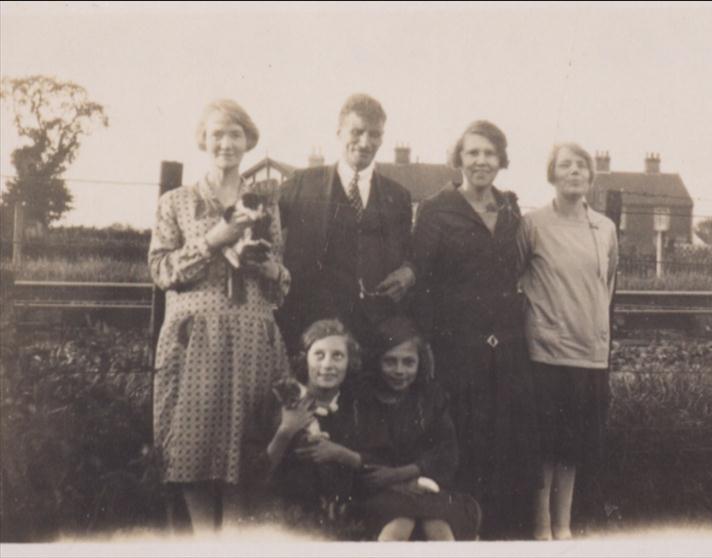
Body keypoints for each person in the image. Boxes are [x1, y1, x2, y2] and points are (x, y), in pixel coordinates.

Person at [148, 99, 291, 533]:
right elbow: (162, 270)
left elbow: (280, 282)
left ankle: (231, 537)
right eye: (217, 134)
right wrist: (214, 240)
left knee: (243, 446)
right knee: (192, 446)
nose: (226, 143)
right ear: (203, 141)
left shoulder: (263, 204)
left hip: (251, 336)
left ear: (248, 142)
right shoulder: (177, 202)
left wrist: (265, 265)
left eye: (235, 134)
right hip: (197, 339)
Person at [411, 121, 540, 539]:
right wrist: (427, 342)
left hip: (506, 345)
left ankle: (499, 532)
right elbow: (423, 282)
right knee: (462, 437)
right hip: (456, 345)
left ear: (501, 160)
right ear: (459, 159)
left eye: (489, 153)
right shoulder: (436, 208)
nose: (481, 161)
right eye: (473, 153)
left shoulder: (509, 208)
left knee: (502, 441)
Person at [517, 142, 618, 540]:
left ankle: (564, 526)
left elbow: (605, 286)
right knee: (545, 444)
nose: (574, 171)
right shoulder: (533, 224)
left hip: (590, 353)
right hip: (546, 351)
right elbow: (517, 278)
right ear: (552, 175)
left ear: (591, 178)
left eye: (581, 166)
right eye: (565, 165)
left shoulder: (605, 228)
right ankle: (542, 526)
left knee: (573, 447)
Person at [276, 93, 415, 356]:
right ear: (339, 133)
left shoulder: (398, 196)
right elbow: (264, 235)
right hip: (312, 329)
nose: (365, 142)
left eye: (374, 134)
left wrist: (410, 270)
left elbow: (411, 251)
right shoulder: (301, 184)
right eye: (357, 132)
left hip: (375, 330)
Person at [351, 316, 482, 541]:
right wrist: (396, 480)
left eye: (408, 362)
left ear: (420, 362)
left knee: (439, 526)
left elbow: (446, 452)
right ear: (376, 361)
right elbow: (369, 460)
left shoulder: (431, 397)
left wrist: (405, 473)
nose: (400, 370)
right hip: (382, 492)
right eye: (390, 361)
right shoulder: (365, 400)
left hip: (427, 487)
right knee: (399, 524)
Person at [258, 319, 363, 531]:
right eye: (319, 355)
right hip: (287, 515)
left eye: (338, 356)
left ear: (349, 362)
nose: (327, 365)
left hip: (343, 514)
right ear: (305, 359)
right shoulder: (283, 400)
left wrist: (340, 454)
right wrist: (286, 431)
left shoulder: (355, 405)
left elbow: (375, 466)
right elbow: (256, 475)